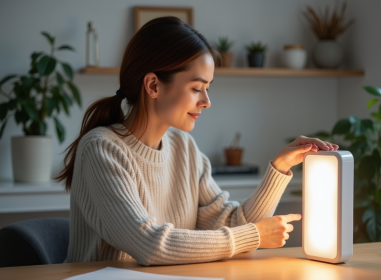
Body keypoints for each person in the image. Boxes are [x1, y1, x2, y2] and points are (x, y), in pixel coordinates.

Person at [55, 16, 338, 266]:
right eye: (196, 88)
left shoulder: (184, 148)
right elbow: (149, 244)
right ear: (153, 85)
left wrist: (279, 168)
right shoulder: (101, 148)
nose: (206, 101)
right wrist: (254, 236)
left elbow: (232, 223)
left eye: (207, 89)